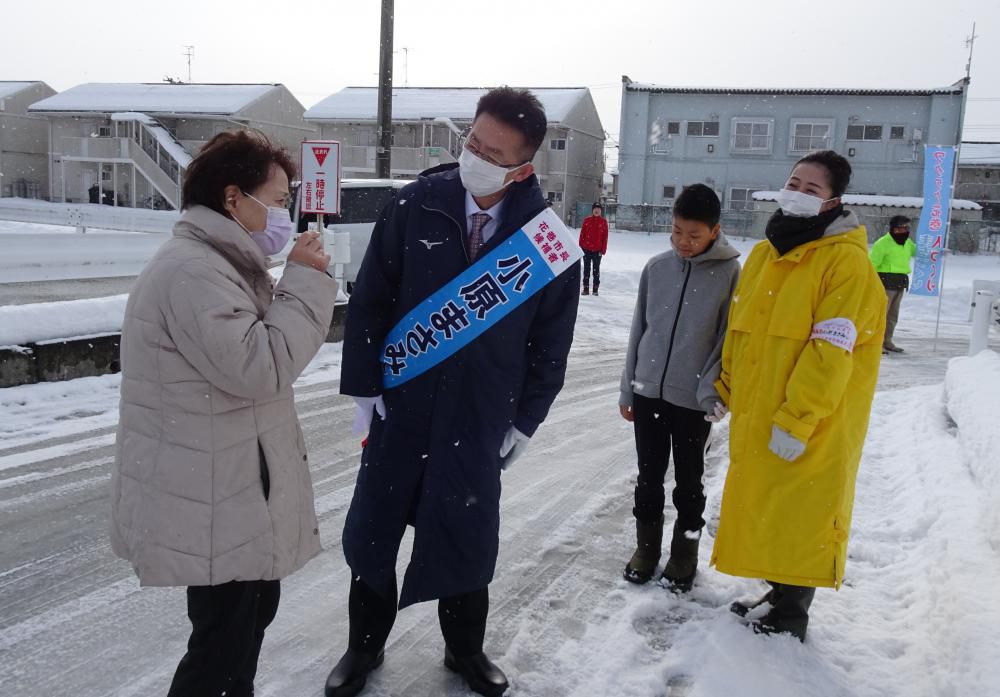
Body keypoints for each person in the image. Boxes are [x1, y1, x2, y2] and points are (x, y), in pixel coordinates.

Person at [326, 87, 580, 697]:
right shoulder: (413, 205)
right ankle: (363, 646)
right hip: (402, 407)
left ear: (523, 168)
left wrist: (525, 420)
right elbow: (371, 301)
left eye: (494, 154)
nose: (475, 158)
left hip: (479, 414)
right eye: (473, 142)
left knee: (466, 536)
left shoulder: (545, 242)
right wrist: (365, 385)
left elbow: (551, 345)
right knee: (376, 531)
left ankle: (465, 650)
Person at [109, 130, 337, 697]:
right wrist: (305, 282)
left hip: (228, 488)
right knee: (221, 645)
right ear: (234, 198)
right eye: (277, 201)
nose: (284, 216)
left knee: (245, 622)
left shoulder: (220, 263)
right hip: (213, 494)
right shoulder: (194, 271)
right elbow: (261, 366)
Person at [711, 150, 885, 642]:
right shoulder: (766, 254)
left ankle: (791, 613)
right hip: (762, 410)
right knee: (769, 507)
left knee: (802, 511)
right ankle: (779, 592)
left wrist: (798, 419)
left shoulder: (845, 264)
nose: (798, 194)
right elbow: (741, 330)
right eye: (794, 183)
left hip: (812, 419)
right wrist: (727, 386)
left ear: (834, 201)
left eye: (812, 189)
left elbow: (830, 352)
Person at [619, 184, 740, 590]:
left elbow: (728, 340)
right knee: (648, 477)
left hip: (693, 402)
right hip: (647, 393)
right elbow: (639, 331)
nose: (683, 242)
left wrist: (714, 391)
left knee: (689, 482)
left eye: (693, 235)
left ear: (714, 231)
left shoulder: (730, 274)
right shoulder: (656, 269)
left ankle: (684, 555)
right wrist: (628, 388)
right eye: (676, 232)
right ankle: (646, 549)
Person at [869, 215, 917, 353]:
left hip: (900, 282)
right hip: (885, 282)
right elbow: (872, 264)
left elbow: (919, 252)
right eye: (901, 228)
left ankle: (887, 341)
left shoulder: (907, 243)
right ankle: (875, 343)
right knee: (881, 315)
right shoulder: (882, 243)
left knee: (892, 316)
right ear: (894, 228)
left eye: (907, 228)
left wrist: (937, 252)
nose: (904, 231)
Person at [579, 202, 609, 295]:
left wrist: (603, 250)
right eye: (595, 209)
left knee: (596, 270)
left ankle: (595, 289)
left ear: (601, 211)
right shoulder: (587, 220)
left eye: (598, 209)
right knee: (586, 269)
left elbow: (605, 237)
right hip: (586, 249)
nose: (597, 210)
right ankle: (586, 288)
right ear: (592, 210)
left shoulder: (603, 222)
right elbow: (582, 234)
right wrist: (581, 246)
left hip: (598, 250)